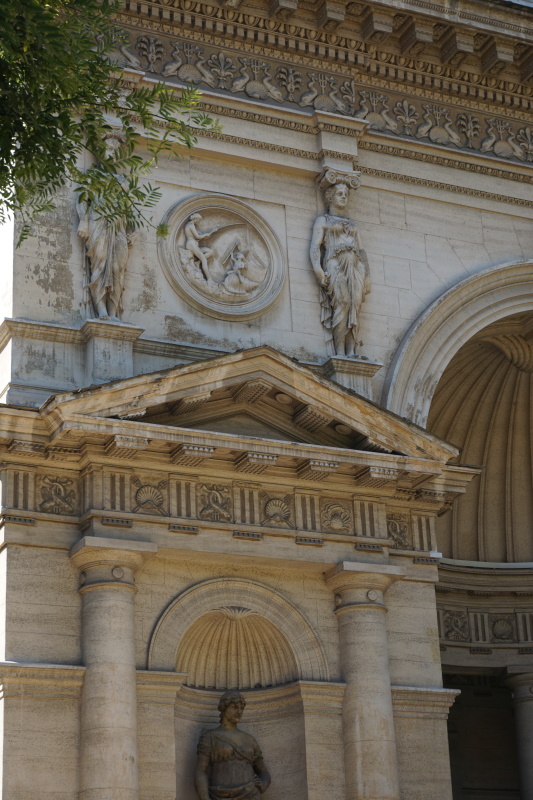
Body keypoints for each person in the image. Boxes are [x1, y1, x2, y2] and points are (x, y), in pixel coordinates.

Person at [77, 134, 136, 321]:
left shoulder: (122, 180)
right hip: (99, 220)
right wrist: (84, 221)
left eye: (115, 150)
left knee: (118, 266)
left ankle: (113, 311)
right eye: (108, 149)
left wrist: (132, 231)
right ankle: (100, 308)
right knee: (100, 262)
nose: (111, 153)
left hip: (118, 224)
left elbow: (130, 209)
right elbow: (82, 200)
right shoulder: (92, 177)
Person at [309, 181, 370, 357]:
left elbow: (362, 250)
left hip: (356, 265)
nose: (344, 197)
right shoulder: (323, 221)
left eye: (346, 194)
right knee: (342, 302)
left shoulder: (353, 224)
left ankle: (351, 351)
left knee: (355, 305)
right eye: (340, 194)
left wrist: (368, 276)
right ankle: (340, 351)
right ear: (330, 197)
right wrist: (318, 270)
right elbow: (315, 246)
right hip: (334, 261)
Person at [195, 690, 271, 800]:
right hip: (219, 795)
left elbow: (263, 771)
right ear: (223, 708)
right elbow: (200, 771)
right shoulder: (210, 737)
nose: (239, 711)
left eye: (241, 708)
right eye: (234, 707)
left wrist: (262, 785)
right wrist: (205, 798)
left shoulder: (249, 739)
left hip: (250, 794)